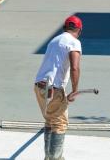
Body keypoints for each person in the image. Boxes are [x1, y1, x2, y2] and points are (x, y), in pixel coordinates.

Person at [34, 15, 83, 160]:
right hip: (53, 89)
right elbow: (75, 67)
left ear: (64, 28)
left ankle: (49, 157)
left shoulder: (54, 41)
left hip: (39, 87)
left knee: (50, 120)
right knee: (60, 123)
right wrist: (74, 91)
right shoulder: (74, 42)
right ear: (79, 30)